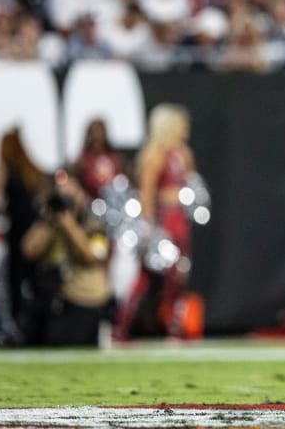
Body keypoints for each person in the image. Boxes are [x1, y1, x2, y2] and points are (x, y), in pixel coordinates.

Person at [114, 103, 197, 340]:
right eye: (182, 124)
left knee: (179, 274)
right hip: (163, 218)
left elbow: (190, 185)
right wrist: (148, 224)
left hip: (180, 218)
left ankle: (174, 324)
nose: (186, 129)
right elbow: (147, 193)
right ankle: (122, 325)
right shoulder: (155, 154)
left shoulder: (183, 154)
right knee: (145, 276)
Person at [21, 170, 112, 346]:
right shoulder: (50, 221)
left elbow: (91, 256)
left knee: (61, 339)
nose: (67, 200)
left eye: (71, 194)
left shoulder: (94, 223)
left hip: (84, 302)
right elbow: (29, 251)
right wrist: (49, 219)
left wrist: (68, 223)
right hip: (52, 301)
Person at [0, 128, 50, 339]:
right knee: (36, 279)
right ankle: (37, 323)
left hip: (17, 235)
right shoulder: (31, 170)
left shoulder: (7, 169)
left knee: (14, 280)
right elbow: (44, 200)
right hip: (35, 234)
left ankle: (18, 326)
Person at [73, 118, 127, 200]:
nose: (99, 135)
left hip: (114, 200)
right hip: (91, 200)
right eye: (95, 131)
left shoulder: (115, 157)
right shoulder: (83, 159)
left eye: (101, 131)